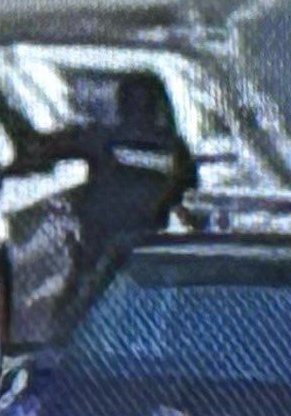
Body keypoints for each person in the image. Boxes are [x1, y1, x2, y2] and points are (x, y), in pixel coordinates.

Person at [49, 72, 201, 317]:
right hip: (144, 243)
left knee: (78, 305)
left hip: (101, 239)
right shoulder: (174, 148)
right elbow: (189, 193)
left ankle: (64, 337)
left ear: (121, 105)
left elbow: (51, 149)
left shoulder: (102, 138)